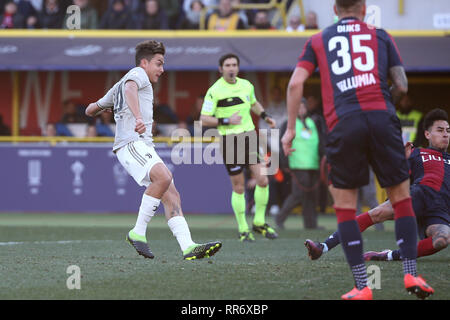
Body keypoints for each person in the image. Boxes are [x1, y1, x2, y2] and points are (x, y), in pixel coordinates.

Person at [281, 0, 433, 300]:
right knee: (402, 200)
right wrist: (383, 99)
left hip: (344, 122)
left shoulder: (318, 39)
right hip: (382, 118)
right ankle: (412, 275)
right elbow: (402, 85)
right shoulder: (382, 36)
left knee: (346, 208)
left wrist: (289, 130)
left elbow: (295, 83)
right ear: (364, 9)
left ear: (335, 10)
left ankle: (362, 287)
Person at [85, 40, 222, 261]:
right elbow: (130, 88)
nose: (162, 69)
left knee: (172, 195)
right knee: (164, 176)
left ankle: (188, 247)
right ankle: (137, 232)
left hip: (141, 145)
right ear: (144, 62)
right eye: (159, 63)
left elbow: (90, 109)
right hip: (131, 143)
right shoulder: (137, 74)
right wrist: (137, 117)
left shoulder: (118, 85)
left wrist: (106, 106)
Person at [305, 109, 449, 278]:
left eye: (448, 131)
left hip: (441, 209)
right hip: (419, 195)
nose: (445, 134)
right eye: (440, 130)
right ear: (427, 134)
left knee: (442, 240)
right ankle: (322, 246)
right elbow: (397, 173)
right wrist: (401, 160)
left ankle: (388, 255)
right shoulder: (416, 152)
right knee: (377, 213)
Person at [200, 53, 278, 242]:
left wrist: (265, 115)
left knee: (263, 179)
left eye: (234, 64)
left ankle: (259, 222)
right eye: (227, 65)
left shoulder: (246, 85)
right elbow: (204, 118)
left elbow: (253, 103)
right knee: (239, 187)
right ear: (221, 69)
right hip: (229, 141)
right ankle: (243, 228)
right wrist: (226, 120)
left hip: (249, 137)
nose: (231, 68)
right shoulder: (215, 90)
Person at [276, 98, 324, 230]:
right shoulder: (288, 124)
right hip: (297, 164)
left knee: (312, 196)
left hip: (313, 164)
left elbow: (320, 141)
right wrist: (284, 163)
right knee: (298, 195)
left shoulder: (312, 122)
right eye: (298, 107)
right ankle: (280, 218)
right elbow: (282, 145)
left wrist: (322, 158)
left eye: (303, 107)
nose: (301, 109)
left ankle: (311, 225)